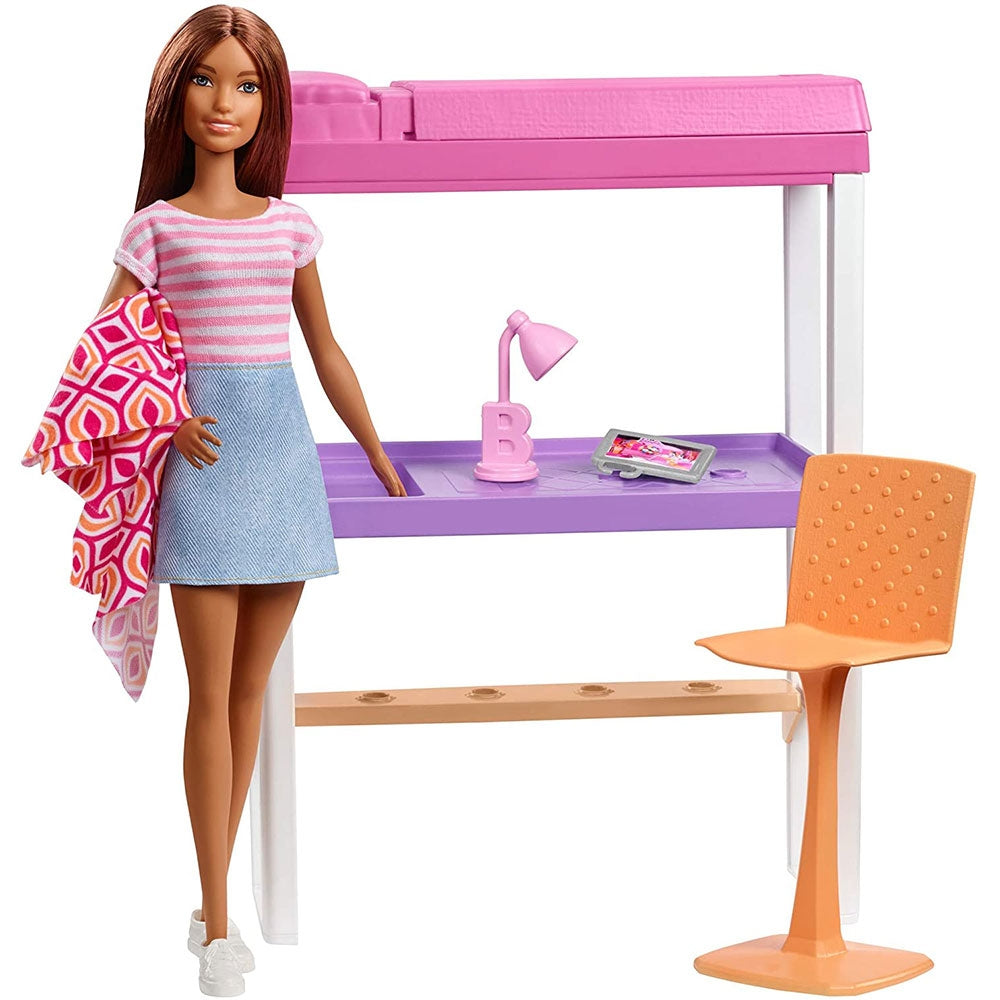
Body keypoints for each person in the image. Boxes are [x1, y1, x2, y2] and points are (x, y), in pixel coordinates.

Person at [100, 6, 406, 995]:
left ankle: (212, 903)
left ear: (267, 103)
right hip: (202, 466)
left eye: (245, 84)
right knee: (208, 698)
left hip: (282, 464)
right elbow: (103, 357)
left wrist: (375, 448)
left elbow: (326, 350)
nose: (223, 102)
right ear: (175, 96)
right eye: (205, 80)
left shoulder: (290, 225)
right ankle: (220, 924)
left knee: (247, 696)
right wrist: (163, 420)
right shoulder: (155, 229)